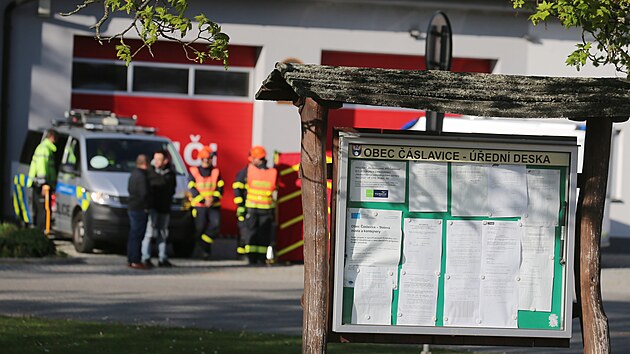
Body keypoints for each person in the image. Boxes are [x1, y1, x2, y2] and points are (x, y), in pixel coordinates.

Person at [233, 145, 278, 265]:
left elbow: (237, 189)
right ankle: (259, 259)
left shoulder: (248, 171)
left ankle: (253, 259)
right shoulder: (272, 172)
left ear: (258, 159)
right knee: (260, 234)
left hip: (254, 209)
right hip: (264, 209)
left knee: (252, 233)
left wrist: (241, 206)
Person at [142, 149, 176, 268]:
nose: (156, 162)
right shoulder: (149, 172)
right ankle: (145, 257)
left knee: (162, 233)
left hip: (164, 207)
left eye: (159, 159)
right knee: (149, 233)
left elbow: (171, 189)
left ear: (165, 161)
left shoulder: (170, 174)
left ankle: (162, 258)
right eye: (155, 159)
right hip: (152, 207)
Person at [188, 146, 223, 260]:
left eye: (208, 159)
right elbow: (192, 189)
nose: (207, 161)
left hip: (213, 205)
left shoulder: (216, 171)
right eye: (204, 159)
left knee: (215, 225)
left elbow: (220, 188)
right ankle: (201, 252)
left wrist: (213, 199)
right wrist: (203, 200)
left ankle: (204, 244)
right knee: (199, 228)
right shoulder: (194, 171)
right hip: (199, 205)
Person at [28, 129, 58, 231]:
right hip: (40, 184)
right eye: (55, 139)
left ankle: (41, 230)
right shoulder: (45, 149)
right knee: (42, 209)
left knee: (41, 208)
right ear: (52, 137)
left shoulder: (45, 148)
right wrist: (43, 183)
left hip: (40, 183)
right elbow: (42, 168)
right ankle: (41, 232)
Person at [127, 154, 150, 269]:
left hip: (132, 207)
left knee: (133, 235)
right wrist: (147, 206)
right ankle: (136, 260)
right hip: (140, 208)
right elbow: (144, 193)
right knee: (138, 235)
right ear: (146, 164)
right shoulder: (142, 176)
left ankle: (131, 259)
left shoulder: (133, 174)